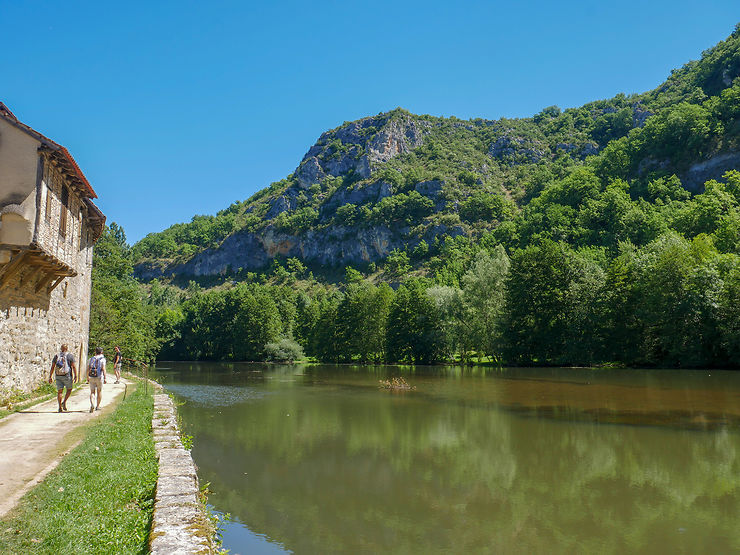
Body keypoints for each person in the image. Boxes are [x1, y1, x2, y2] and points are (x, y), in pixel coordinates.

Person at [48, 344, 77, 412]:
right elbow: (73, 366)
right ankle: (64, 402)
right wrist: (75, 375)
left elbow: (53, 367)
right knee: (69, 389)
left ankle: (59, 407)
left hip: (58, 375)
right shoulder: (70, 356)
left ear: (61, 348)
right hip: (67, 375)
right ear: (67, 348)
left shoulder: (56, 356)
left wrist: (50, 376)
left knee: (60, 392)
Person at [87, 347, 107, 413]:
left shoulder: (91, 359)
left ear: (95, 352)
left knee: (92, 392)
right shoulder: (102, 359)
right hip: (99, 377)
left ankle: (92, 404)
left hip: (91, 377)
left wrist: (87, 377)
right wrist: (105, 378)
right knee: (99, 391)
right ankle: (97, 406)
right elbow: (103, 369)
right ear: (101, 352)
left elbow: (88, 368)